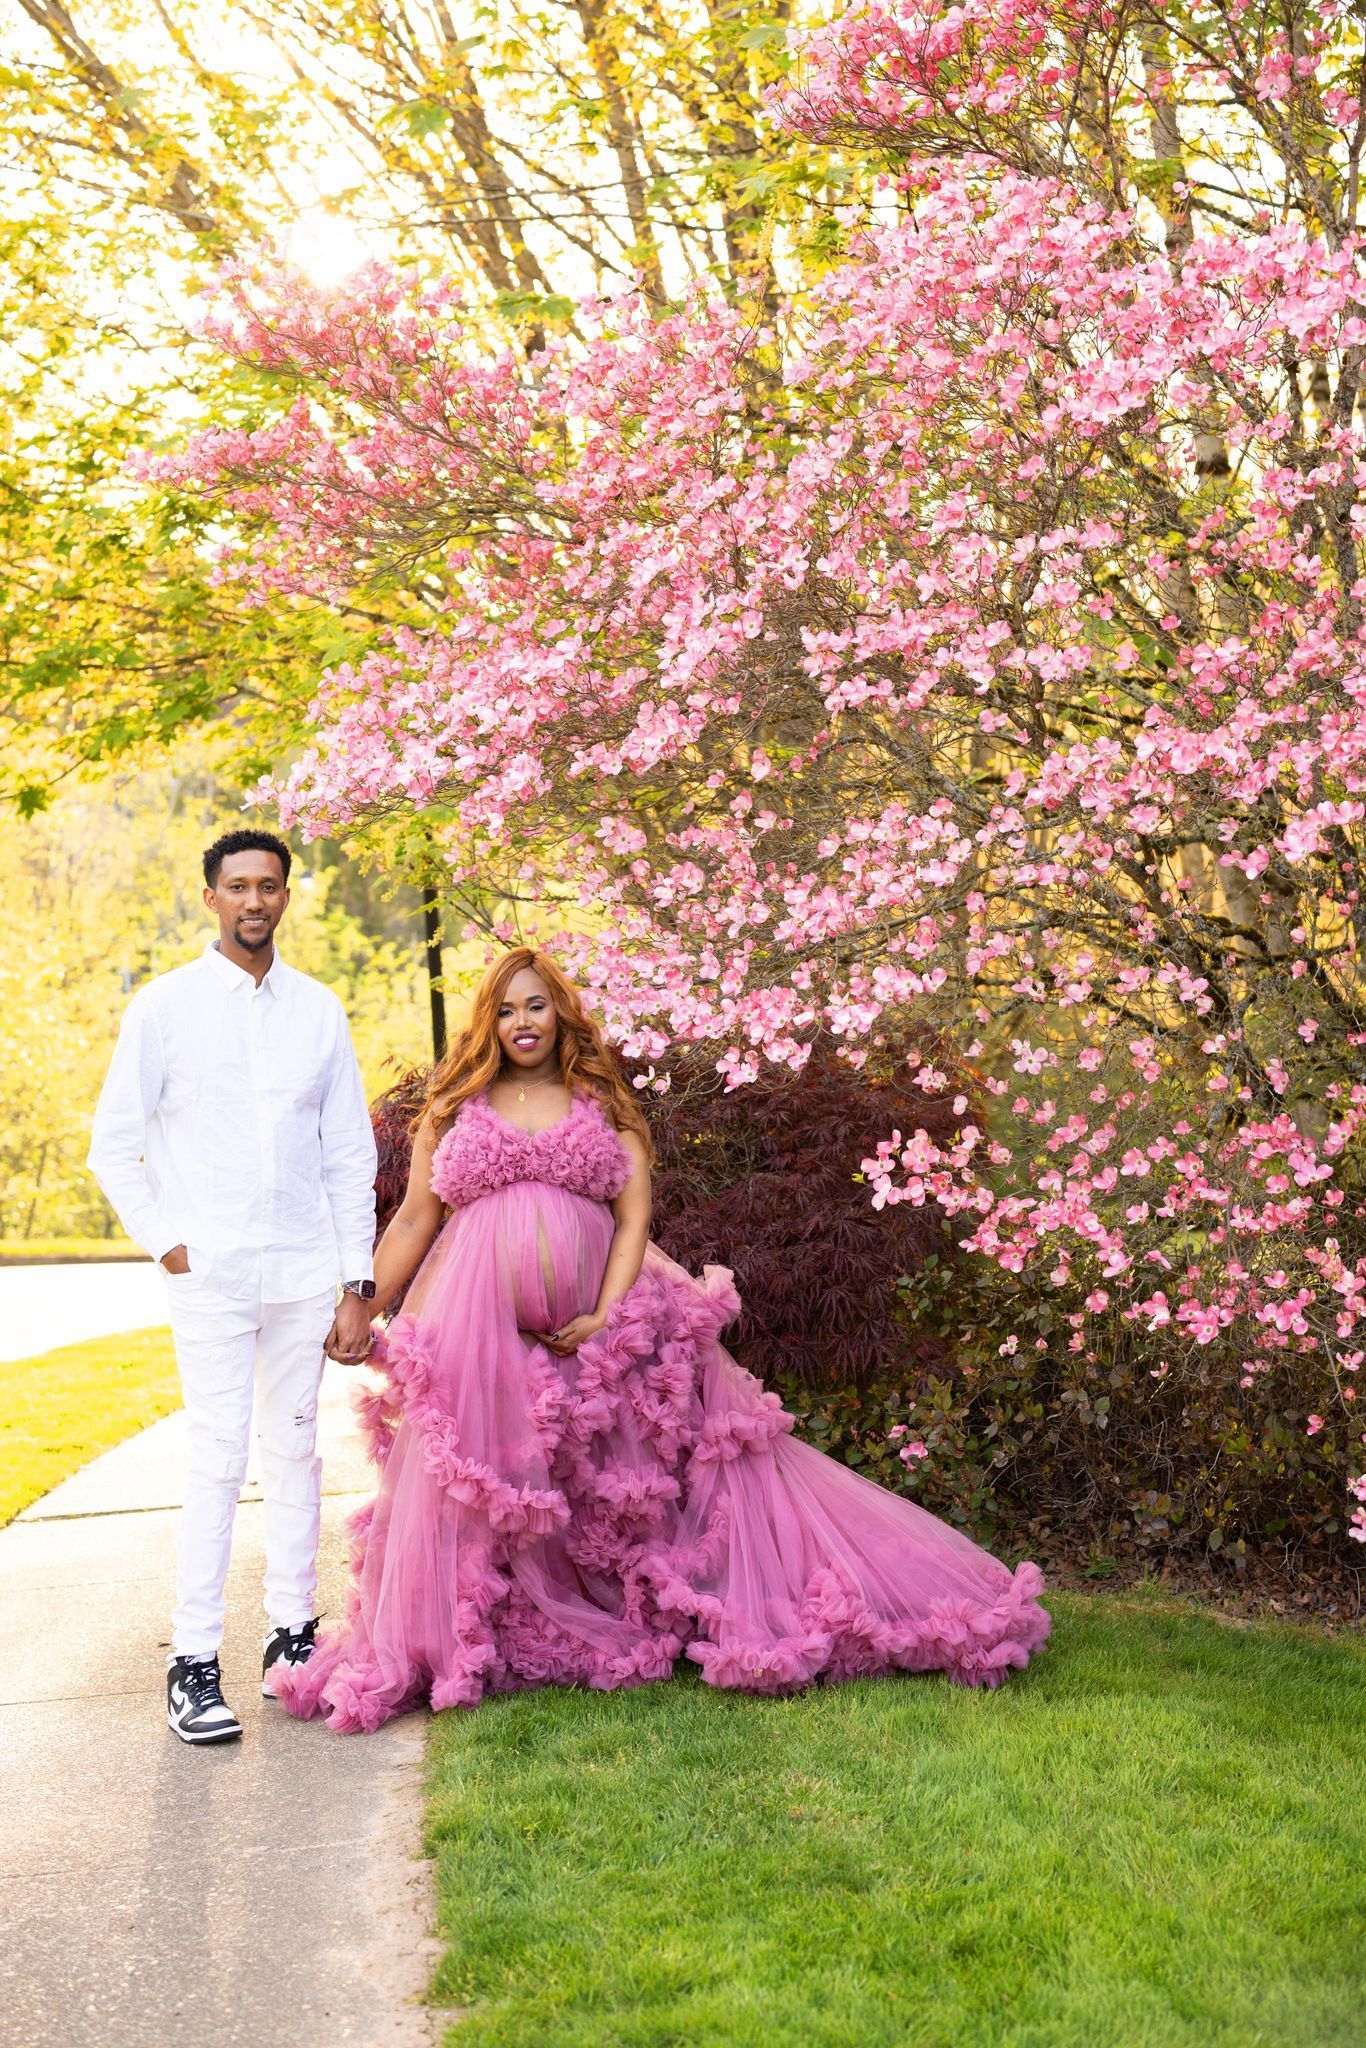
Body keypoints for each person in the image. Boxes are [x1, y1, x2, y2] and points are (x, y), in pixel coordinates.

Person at [278, 948, 1049, 1732]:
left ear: (560, 1013)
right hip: (480, 1330)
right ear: (488, 1022)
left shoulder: (600, 1102)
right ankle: (487, 1633)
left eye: (536, 1005)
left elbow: (631, 1222)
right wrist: (361, 1304)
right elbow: (416, 1218)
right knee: (498, 1482)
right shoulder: (455, 1108)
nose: (522, 1022)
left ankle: (660, 1606)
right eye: (506, 1010)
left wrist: (605, 1315)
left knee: (628, 1485)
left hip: (602, 1329)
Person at [88, 828, 379, 1745]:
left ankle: (291, 1641)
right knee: (216, 1460)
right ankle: (192, 1662)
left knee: (295, 1454)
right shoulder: (163, 1008)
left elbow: (348, 1153)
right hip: (210, 1277)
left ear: (287, 896)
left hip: (303, 1273)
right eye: (239, 886)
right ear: (211, 897)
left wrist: (357, 1280)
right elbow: (114, 1145)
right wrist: (169, 1245)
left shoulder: (318, 1011)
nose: (255, 900)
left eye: (269, 885)